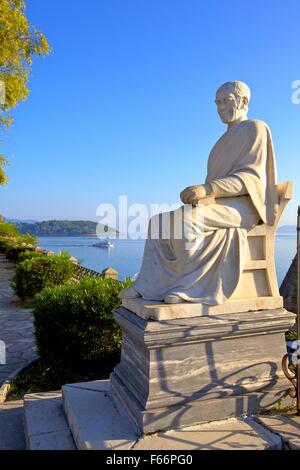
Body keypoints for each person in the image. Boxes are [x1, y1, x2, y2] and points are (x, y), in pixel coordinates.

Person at [119, 81, 278, 305]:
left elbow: (251, 178)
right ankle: (149, 285)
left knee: (186, 220)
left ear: (243, 101)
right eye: (217, 103)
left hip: (245, 206)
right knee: (159, 222)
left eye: (226, 101)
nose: (221, 107)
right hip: (220, 203)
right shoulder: (220, 143)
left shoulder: (256, 128)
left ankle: (190, 288)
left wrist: (207, 189)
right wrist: (201, 197)